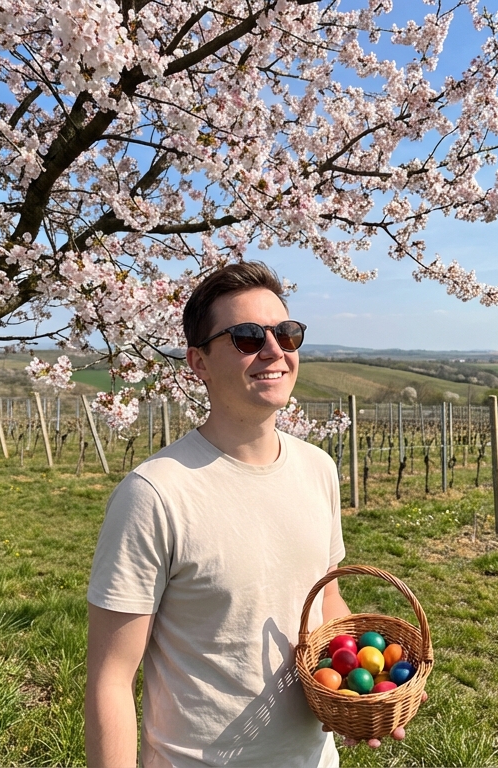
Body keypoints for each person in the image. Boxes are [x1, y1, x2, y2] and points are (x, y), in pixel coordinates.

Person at [84, 261, 402, 767]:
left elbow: (327, 599)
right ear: (199, 363)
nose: (275, 351)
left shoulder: (317, 469)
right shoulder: (155, 494)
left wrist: (364, 692)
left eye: (287, 333)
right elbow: (110, 678)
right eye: (248, 337)